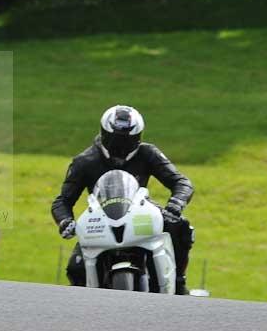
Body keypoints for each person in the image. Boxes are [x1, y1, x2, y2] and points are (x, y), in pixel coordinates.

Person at [51, 105, 195, 294]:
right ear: (104, 133)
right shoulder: (85, 160)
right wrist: (65, 221)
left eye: (128, 140)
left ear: (138, 137)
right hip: (100, 219)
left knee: (181, 227)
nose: (121, 147)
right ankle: (81, 306)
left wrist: (176, 203)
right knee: (76, 268)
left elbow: (181, 182)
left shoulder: (148, 153)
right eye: (116, 140)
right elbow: (62, 200)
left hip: (139, 214)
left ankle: (179, 284)